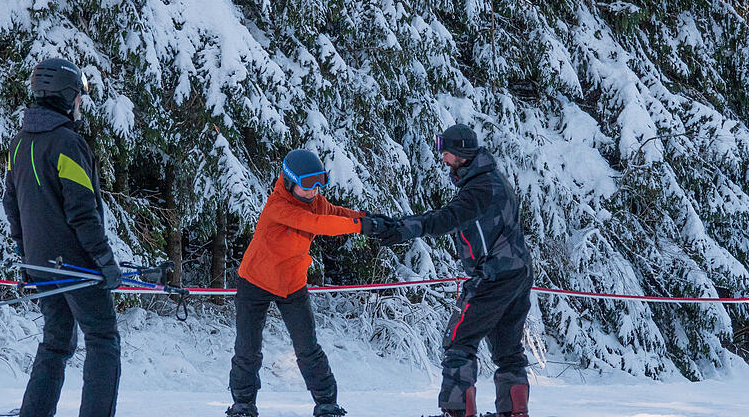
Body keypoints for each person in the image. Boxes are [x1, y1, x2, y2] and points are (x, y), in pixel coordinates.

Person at [379, 124, 533, 417]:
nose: (443, 159)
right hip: (518, 272)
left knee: (459, 341)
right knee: (508, 349)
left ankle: (457, 410)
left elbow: (445, 219)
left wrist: (402, 229)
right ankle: (515, 411)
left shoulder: (479, 189)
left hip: (494, 275)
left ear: (461, 154)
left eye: (446, 153)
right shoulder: (491, 179)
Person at [2, 57, 123, 417]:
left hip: (42, 264)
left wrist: (26, 258)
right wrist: (104, 260)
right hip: (77, 268)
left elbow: (13, 207)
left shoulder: (19, 143)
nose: (80, 103)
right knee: (103, 341)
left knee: (56, 343)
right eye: (79, 96)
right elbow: (82, 213)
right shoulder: (68, 143)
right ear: (67, 95)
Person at [226, 149, 386, 417]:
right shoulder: (278, 207)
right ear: (289, 182)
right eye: (307, 185)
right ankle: (243, 404)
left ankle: (327, 402)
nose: (313, 191)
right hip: (255, 280)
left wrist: (368, 219)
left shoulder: (314, 201)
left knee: (307, 346)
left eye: (318, 183)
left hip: (291, 283)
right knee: (248, 349)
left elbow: (336, 213)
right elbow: (317, 224)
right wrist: (360, 227)